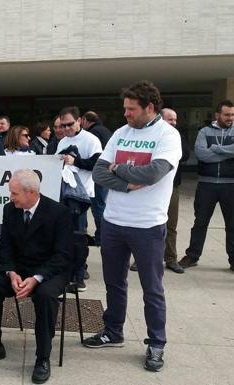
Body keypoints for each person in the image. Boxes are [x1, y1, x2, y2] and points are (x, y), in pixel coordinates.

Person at [84, 80, 181, 373]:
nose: (125, 114)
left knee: (152, 288)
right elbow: (100, 172)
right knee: (114, 283)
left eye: (131, 109)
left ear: (149, 107)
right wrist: (128, 183)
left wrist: (119, 169)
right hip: (113, 222)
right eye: (124, 108)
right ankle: (113, 330)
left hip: (148, 225)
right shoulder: (120, 133)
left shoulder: (168, 135)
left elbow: (154, 172)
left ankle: (156, 343)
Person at [0, 169, 72, 384]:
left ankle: (42, 357)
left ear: (31, 192)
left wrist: (37, 278)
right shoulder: (10, 210)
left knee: (45, 295)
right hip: (19, 269)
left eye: (14, 193)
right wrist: (11, 272)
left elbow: (63, 255)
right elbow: (4, 246)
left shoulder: (59, 213)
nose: (11, 197)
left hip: (50, 271)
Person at [131, 107, 189, 273]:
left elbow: (185, 154)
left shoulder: (176, 136)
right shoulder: (150, 136)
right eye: (170, 119)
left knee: (171, 224)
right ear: (161, 119)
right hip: (149, 188)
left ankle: (171, 258)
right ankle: (140, 259)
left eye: (175, 120)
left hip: (172, 187)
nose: (174, 123)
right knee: (146, 224)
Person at [180, 100, 234, 270]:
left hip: (230, 185)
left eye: (232, 115)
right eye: (227, 114)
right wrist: (227, 152)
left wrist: (216, 148)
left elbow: (210, 152)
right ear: (217, 115)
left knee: (232, 224)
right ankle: (192, 256)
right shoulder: (204, 131)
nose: (230, 118)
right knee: (200, 222)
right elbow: (202, 155)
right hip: (206, 185)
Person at [55, 106, 102, 291]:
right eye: (62, 125)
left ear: (79, 121)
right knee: (65, 235)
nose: (66, 129)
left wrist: (76, 162)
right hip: (65, 193)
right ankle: (69, 272)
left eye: (69, 124)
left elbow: (98, 165)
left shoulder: (91, 140)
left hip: (81, 196)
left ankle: (80, 275)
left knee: (78, 235)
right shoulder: (62, 141)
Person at [81, 111, 113, 246]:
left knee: (97, 206)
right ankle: (102, 235)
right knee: (101, 205)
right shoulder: (106, 131)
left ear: (85, 120)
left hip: (97, 174)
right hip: (107, 173)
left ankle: (101, 236)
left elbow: (92, 158)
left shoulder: (92, 134)